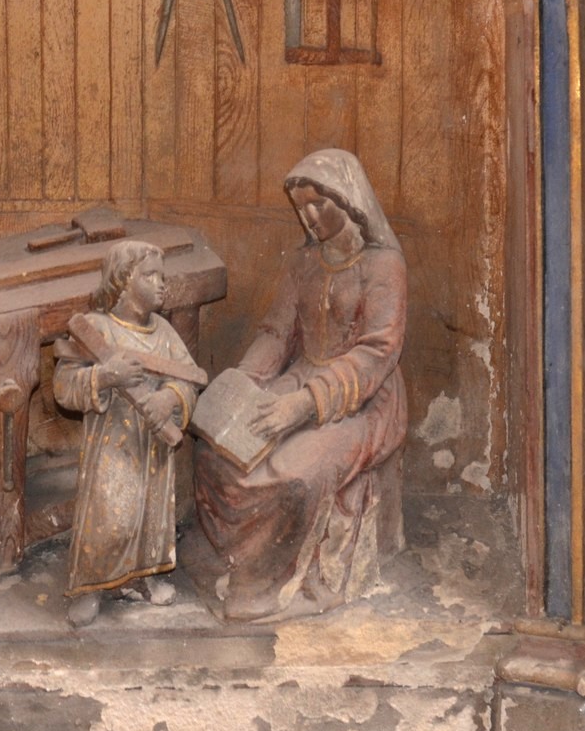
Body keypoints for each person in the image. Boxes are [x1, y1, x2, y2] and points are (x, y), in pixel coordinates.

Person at [194, 149, 407, 622]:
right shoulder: (303, 263)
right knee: (217, 453)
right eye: (300, 208)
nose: (307, 217)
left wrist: (304, 404)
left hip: (361, 398)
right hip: (300, 376)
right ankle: (242, 564)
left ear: (347, 200)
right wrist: (240, 386)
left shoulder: (383, 266)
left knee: (293, 472)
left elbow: (376, 354)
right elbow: (276, 332)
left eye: (317, 205)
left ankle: (281, 584)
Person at [54, 241, 200, 628]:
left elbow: (189, 379)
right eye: (150, 275)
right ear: (122, 279)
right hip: (112, 447)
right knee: (109, 516)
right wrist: (105, 376)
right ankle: (91, 587)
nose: (161, 284)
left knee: (151, 517)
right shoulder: (96, 329)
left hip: (153, 445)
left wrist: (169, 399)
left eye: (163, 277)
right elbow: (63, 386)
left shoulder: (164, 332)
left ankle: (140, 580)